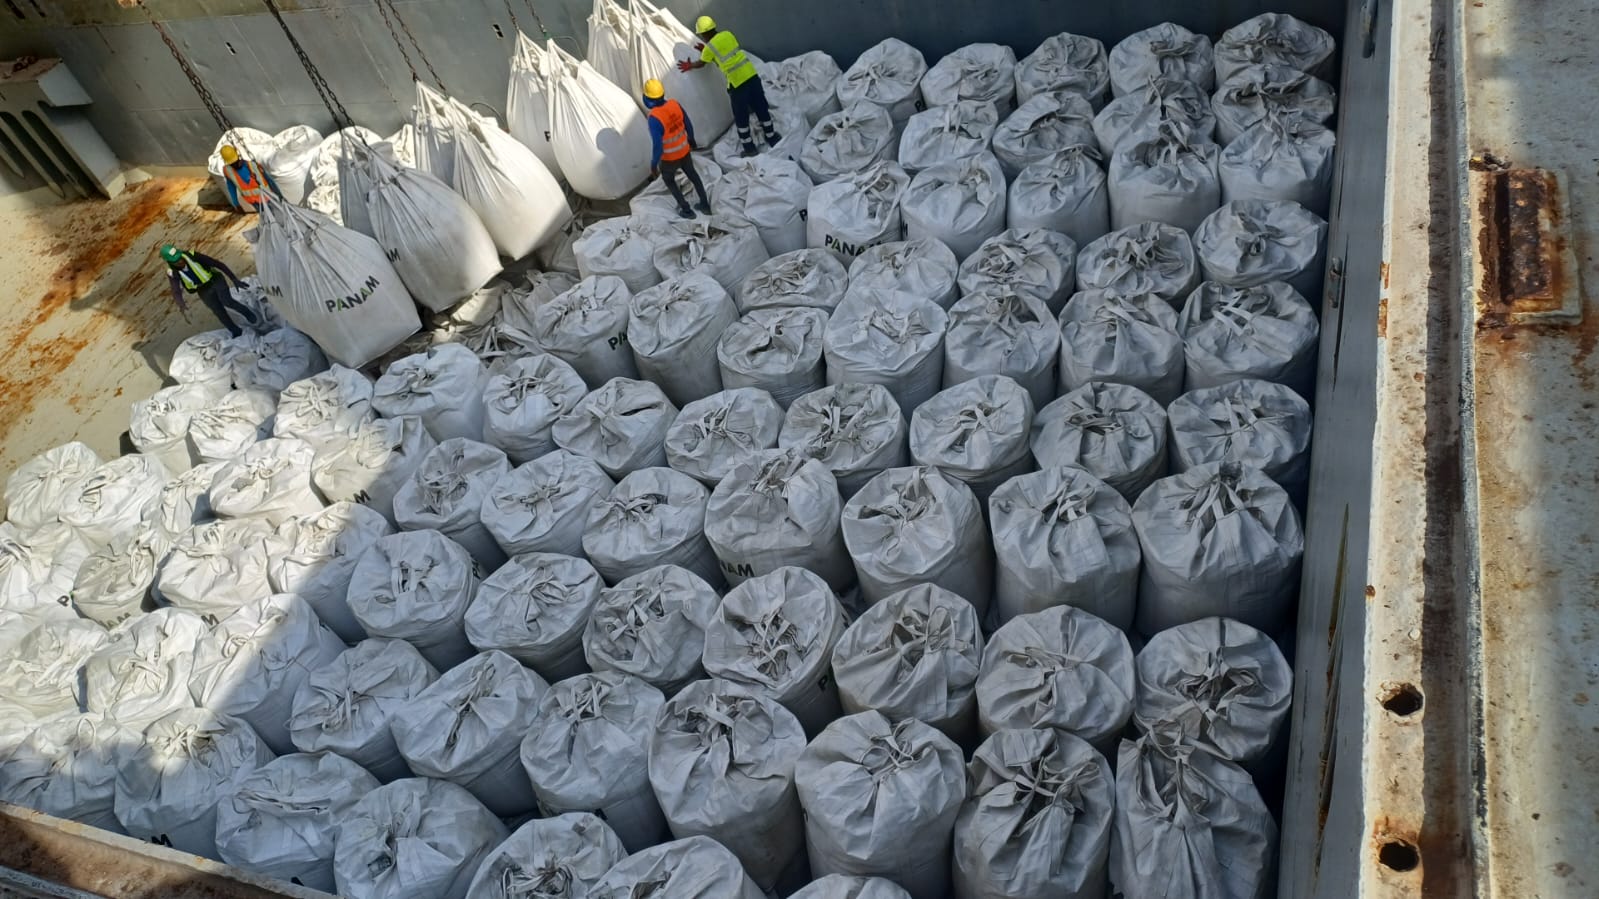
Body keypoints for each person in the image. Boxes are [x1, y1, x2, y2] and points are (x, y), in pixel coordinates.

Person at [678, 16, 780, 157]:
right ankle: (772, 137)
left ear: (703, 34)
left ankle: (750, 149)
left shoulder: (709, 48)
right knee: (761, 107)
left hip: (737, 84)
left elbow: (702, 63)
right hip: (751, 75)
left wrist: (690, 65)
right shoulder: (727, 34)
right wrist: (707, 50)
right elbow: (724, 52)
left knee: (741, 118)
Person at [643, 78, 712, 220]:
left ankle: (687, 210)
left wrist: (653, 165)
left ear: (648, 99)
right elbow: (688, 123)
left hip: (669, 159)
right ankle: (705, 204)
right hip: (684, 151)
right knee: (693, 175)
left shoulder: (654, 118)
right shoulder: (674, 104)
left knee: (670, 181)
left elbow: (657, 145)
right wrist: (691, 140)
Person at [161, 244, 259, 338]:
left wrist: (233, 279)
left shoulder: (192, 255)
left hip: (215, 280)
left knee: (227, 301)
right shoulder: (172, 272)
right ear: (169, 262)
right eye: (176, 261)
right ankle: (235, 330)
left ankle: (248, 313)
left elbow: (218, 264)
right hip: (202, 289)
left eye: (180, 258)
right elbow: (175, 289)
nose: (180, 261)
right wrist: (181, 304)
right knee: (218, 311)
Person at [218, 144, 283, 213]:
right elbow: (231, 188)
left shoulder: (252, 165)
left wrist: (279, 195)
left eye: (235, 162)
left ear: (238, 156)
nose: (235, 165)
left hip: (268, 198)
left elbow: (269, 180)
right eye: (232, 164)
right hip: (254, 202)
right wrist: (236, 204)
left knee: (279, 214)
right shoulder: (228, 171)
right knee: (267, 217)